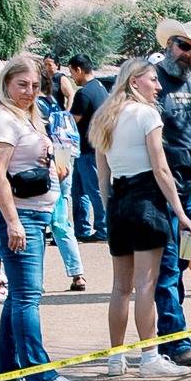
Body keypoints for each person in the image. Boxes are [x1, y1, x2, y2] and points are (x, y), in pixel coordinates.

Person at [90, 56, 191, 380]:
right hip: (146, 199)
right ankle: (150, 357)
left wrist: (111, 208)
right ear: (134, 81)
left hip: (118, 202)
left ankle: (115, 358)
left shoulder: (104, 117)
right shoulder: (146, 114)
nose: (158, 86)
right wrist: (181, 214)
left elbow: (102, 176)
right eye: (153, 79)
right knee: (145, 286)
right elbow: (161, 168)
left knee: (120, 287)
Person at [0, 55, 80, 381]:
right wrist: (13, 222)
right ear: (6, 84)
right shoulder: (1, 119)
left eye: (35, 85)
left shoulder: (25, 116)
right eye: (22, 85)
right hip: (15, 217)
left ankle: (9, 371)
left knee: (19, 296)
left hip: (32, 214)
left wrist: (53, 168)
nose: (29, 91)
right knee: (27, 296)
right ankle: (40, 374)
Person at [150, 18, 191, 367]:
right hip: (163, 190)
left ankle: (174, 337)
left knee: (181, 263)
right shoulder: (150, 81)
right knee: (167, 268)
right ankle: (176, 342)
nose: (188, 54)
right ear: (169, 45)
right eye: (183, 46)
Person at [38, 80, 87, 292]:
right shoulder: (54, 106)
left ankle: (33, 278)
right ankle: (77, 274)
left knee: (36, 227)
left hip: (44, 171)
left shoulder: (36, 108)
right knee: (61, 223)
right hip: (63, 164)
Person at [66, 58, 109, 243]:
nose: (71, 76)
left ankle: (103, 228)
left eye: (72, 72)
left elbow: (71, 122)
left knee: (93, 190)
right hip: (92, 148)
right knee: (79, 190)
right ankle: (82, 228)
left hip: (88, 150)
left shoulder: (84, 93)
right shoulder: (100, 88)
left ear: (79, 69)